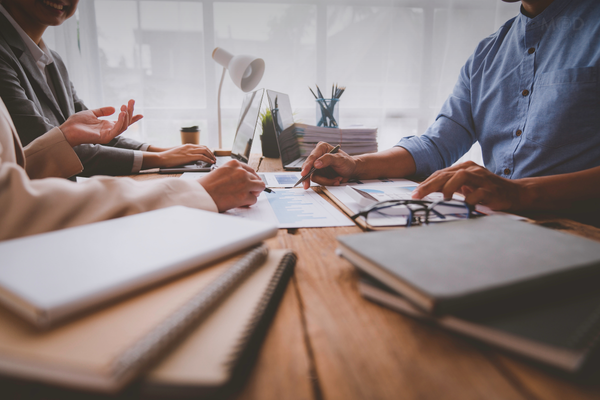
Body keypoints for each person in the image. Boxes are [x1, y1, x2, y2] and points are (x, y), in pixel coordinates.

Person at [300, 0, 600, 216]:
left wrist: (521, 193)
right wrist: (356, 165)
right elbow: (438, 144)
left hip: (582, 235)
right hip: (498, 227)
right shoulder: (487, 54)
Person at [0, 96, 265, 241]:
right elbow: (9, 205)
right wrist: (194, 190)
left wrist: (61, 139)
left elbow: (11, 170)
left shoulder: (53, 59)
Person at [0, 0, 216, 178]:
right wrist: (159, 159)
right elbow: (51, 148)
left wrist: (161, 151)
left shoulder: (52, 60)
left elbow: (91, 134)